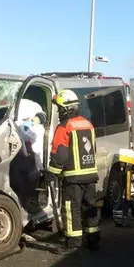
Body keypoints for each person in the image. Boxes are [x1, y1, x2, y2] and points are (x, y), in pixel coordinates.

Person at [45, 89, 101, 255]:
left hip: (73, 177)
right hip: (90, 175)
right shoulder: (87, 124)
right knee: (89, 207)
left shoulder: (64, 127)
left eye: (60, 108)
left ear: (66, 109)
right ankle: (93, 240)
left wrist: (51, 173)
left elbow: (59, 154)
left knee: (71, 209)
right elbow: (93, 149)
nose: (59, 111)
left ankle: (72, 243)